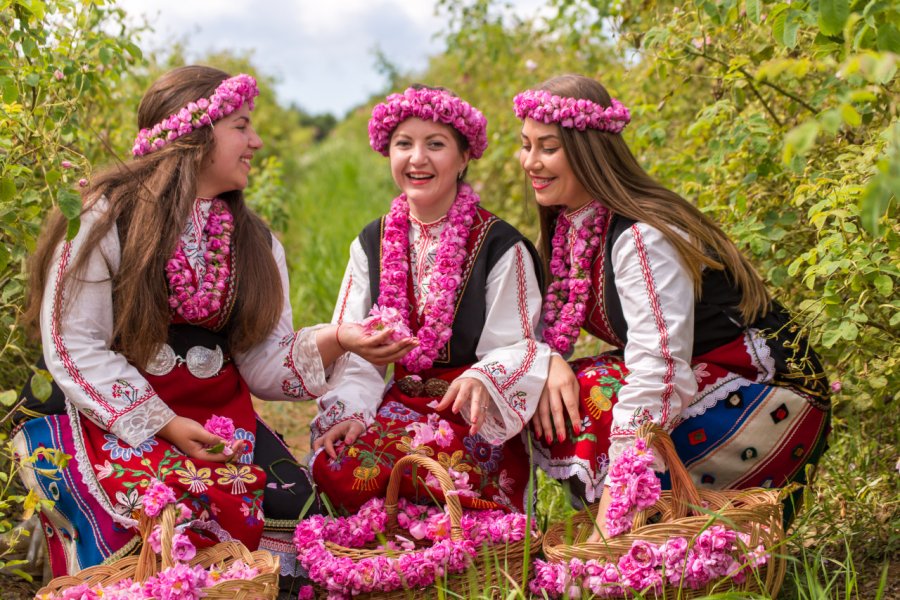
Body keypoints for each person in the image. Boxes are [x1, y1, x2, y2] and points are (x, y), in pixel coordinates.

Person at [11, 65, 411, 577]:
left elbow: (264, 365)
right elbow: (74, 345)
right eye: (241, 126)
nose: (256, 141)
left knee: (295, 507)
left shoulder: (256, 243)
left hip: (215, 417)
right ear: (192, 134)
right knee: (158, 515)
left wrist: (338, 339)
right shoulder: (104, 218)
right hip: (115, 412)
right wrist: (166, 424)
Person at [513, 75, 831, 539]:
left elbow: (658, 368)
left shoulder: (642, 236)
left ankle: (638, 526)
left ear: (589, 151)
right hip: (701, 372)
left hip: (768, 390)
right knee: (554, 385)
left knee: (596, 393)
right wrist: (547, 360)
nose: (530, 162)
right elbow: (529, 331)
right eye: (525, 145)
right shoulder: (570, 228)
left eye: (547, 148)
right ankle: (652, 527)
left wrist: (615, 507)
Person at [309, 85, 552, 513]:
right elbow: (356, 352)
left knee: (436, 473)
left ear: (463, 158)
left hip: (470, 414)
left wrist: (483, 379)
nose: (417, 159)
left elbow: (519, 347)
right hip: (397, 406)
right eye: (404, 144)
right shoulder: (372, 241)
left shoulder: (498, 245)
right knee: (341, 464)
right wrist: (352, 412)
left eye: (435, 145)